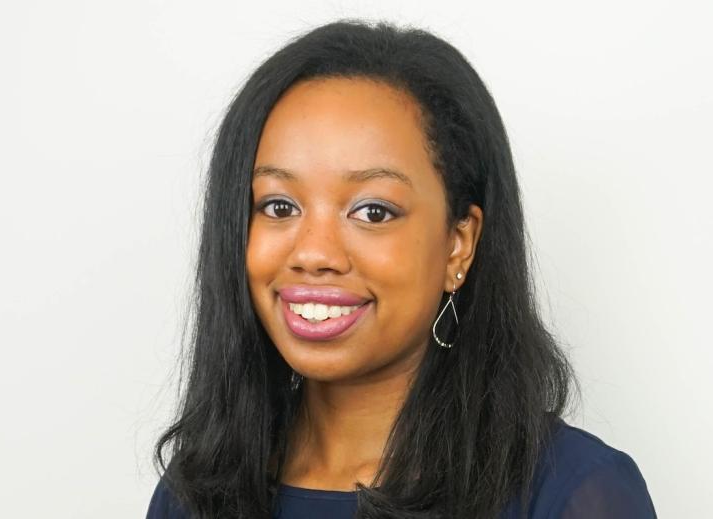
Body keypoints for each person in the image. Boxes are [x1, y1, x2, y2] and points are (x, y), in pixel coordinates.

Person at [146, 20, 657, 519]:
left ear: (458, 244)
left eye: (373, 211)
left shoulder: (573, 492)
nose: (314, 253)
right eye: (279, 206)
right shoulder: (195, 493)